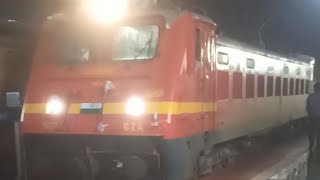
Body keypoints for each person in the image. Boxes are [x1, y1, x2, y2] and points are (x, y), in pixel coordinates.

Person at [306, 82, 320, 159]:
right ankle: (318, 145)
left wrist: (310, 114)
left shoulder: (311, 96)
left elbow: (307, 107)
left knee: (311, 132)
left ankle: (310, 146)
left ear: (315, 88)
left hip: (312, 117)